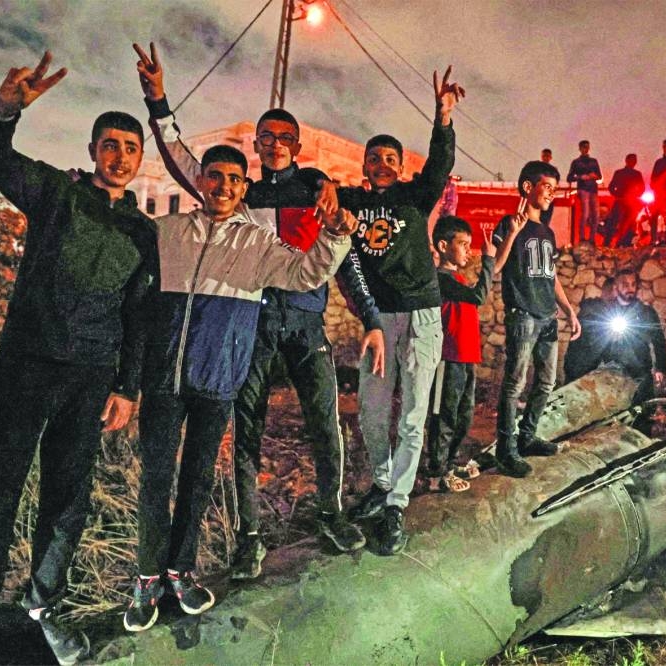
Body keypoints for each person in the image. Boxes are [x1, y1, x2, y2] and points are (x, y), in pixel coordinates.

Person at [132, 43, 380, 581]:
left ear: (296, 144)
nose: (272, 146)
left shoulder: (316, 188)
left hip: (305, 321)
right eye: (263, 138)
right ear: (255, 145)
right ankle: (249, 537)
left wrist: (374, 321)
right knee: (247, 431)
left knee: (324, 423)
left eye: (282, 139)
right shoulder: (238, 191)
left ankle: (331, 514)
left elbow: (343, 260)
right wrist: (159, 103)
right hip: (253, 325)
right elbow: (183, 163)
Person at [0, 52, 157, 664]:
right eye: (110, 144)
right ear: (92, 149)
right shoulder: (55, 192)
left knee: (67, 497)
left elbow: (138, 315)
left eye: (130, 147)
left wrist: (129, 386)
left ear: (139, 159)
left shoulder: (143, 232)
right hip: (26, 363)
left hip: (92, 375)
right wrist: (6, 109)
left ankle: (42, 609)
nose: (119, 155)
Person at [123, 142, 357, 632]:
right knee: (156, 480)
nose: (223, 186)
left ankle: (180, 572)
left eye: (233, 179)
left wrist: (334, 239)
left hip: (218, 380)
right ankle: (146, 580)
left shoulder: (256, 243)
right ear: (201, 181)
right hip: (164, 379)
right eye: (214, 176)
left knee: (198, 479)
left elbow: (303, 272)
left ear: (243, 188)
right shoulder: (168, 233)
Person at [340, 66, 463, 556]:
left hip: (422, 316)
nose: (384, 163)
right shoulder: (351, 201)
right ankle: (381, 481)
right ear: (366, 164)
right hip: (377, 321)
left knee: (413, 413)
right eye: (376, 158)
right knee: (371, 409)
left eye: (392, 158)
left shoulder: (417, 195)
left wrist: (443, 117)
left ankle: (397, 503)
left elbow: (439, 163)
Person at [492, 161, 582, 477]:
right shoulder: (508, 224)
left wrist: (568, 309)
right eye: (546, 187)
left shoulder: (547, 232)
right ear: (528, 187)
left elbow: (551, 275)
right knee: (515, 383)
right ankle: (506, 449)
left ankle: (527, 436)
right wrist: (513, 233)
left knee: (546, 382)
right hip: (523, 314)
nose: (551, 194)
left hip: (547, 317)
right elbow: (495, 267)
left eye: (554, 189)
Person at [425, 215, 495, 493]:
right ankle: (437, 472)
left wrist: (499, 250)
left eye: (469, 244)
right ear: (443, 245)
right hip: (449, 357)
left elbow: (479, 289)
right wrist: (488, 261)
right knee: (444, 416)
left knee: (464, 416)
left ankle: (451, 464)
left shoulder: (459, 277)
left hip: (466, 357)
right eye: (463, 244)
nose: (468, 249)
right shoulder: (441, 279)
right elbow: (479, 296)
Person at [599, 268, 666, 403]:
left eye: (633, 284)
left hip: (641, 374)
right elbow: (596, 343)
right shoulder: (606, 311)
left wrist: (661, 368)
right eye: (625, 284)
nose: (630, 288)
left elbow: (659, 341)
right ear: (615, 287)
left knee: (643, 415)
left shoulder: (647, 312)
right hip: (614, 373)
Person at [566, 140, 602, 244]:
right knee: (585, 213)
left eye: (587, 147)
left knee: (596, 215)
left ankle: (592, 239)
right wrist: (581, 177)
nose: (585, 149)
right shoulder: (576, 162)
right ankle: (582, 238)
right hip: (583, 189)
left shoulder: (594, 161)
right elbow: (569, 177)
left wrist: (593, 176)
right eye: (583, 147)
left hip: (593, 190)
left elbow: (599, 176)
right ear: (580, 149)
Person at [607, 154, 645, 247]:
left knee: (627, 224)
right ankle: (613, 243)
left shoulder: (633, 174)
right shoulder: (626, 173)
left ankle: (621, 243)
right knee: (615, 222)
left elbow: (642, 188)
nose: (633, 162)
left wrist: (635, 195)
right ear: (626, 161)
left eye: (634, 161)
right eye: (632, 160)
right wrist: (618, 196)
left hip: (628, 202)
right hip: (623, 201)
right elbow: (611, 187)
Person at [540, 148, 555, 226]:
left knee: (546, 218)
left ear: (550, 157)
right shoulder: (537, 169)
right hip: (539, 195)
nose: (546, 158)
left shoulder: (553, 170)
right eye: (544, 156)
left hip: (549, 196)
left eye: (547, 156)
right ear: (541, 157)